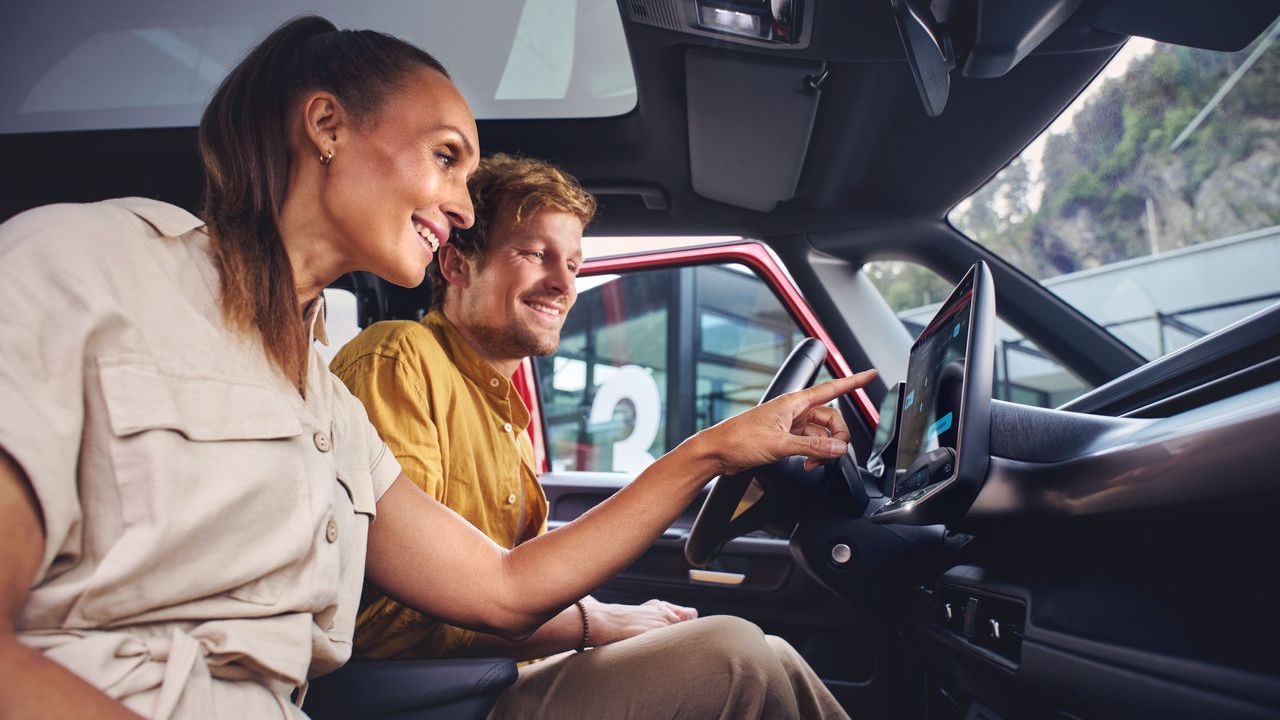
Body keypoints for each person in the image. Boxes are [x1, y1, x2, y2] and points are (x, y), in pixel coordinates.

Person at [0, 15, 875, 719]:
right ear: (327, 126)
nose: (461, 207)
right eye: (447, 157)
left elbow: (499, 587)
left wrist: (718, 449)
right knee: (738, 662)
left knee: (737, 659)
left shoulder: (322, 403)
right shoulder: (89, 262)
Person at [332, 153, 708, 663]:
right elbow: (393, 616)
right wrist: (595, 621)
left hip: (503, 675)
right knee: (732, 656)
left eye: (573, 264)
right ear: (457, 264)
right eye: (535, 253)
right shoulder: (400, 358)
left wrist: (604, 619)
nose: (564, 284)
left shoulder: (508, 414)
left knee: (741, 649)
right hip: (445, 695)